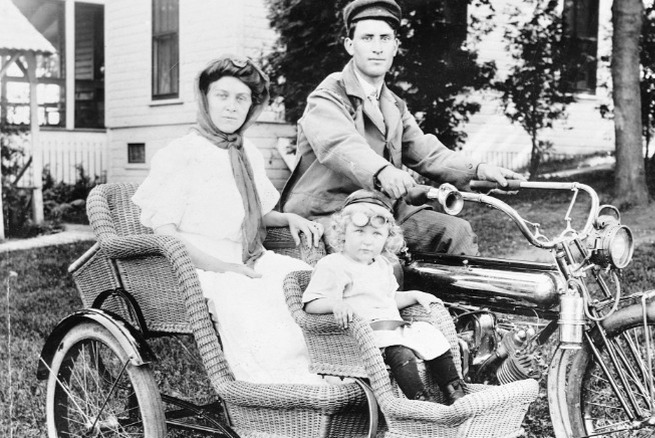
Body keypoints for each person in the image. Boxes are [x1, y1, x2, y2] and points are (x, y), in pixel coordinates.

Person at [132, 55, 329, 385]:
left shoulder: (246, 151)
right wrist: (225, 268)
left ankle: (325, 374)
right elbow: (166, 233)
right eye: (221, 96)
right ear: (205, 98)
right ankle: (274, 392)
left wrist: (287, 217)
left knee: (303, 278)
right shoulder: (181, 153)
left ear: (252, 106)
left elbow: (254, 212)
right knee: (248, 295)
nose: (231, 107)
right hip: (195, 266)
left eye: (241, 98)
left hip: (246, 256)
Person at [279, 0, 524, 256]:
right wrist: (383, 171)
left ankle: (452, 286)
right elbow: (339, 144)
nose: (377, 48)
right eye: (367, 38)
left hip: (380, 210)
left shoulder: (393, 104)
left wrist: (479, 170)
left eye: (385, 38)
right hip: (330, 211)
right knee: (380, 260)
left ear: (395, 46)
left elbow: (426, 152)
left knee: (456, 231)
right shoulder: (329, 95)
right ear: (350, 45)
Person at [302, 189, 466, 404]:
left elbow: (388, 299)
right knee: (400, 352)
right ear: (343, 233)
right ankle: (420, 401)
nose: (367, 241)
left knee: (431, 335)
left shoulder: (381, 265)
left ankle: (454, 390)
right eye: (359, 232)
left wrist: (415, 295)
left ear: (387, 238)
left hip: (391, 328)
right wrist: (335, 304)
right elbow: (310, 303)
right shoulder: (333, 265)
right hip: (361, 335)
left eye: (376, 234)